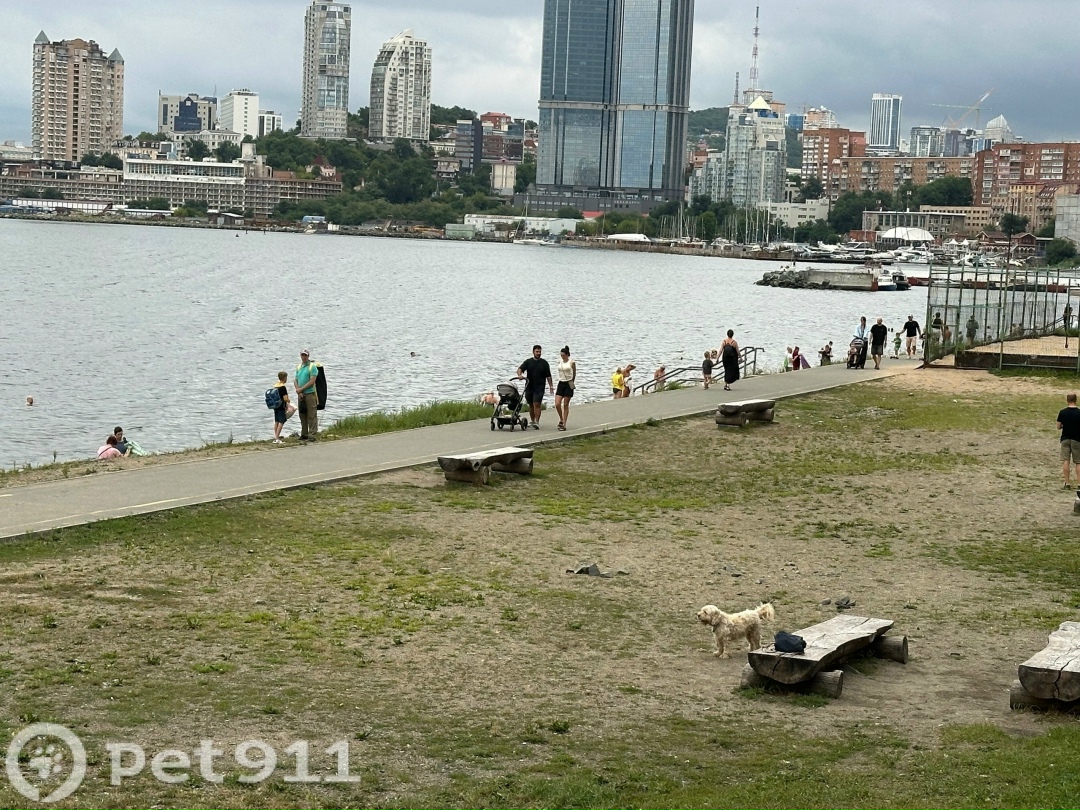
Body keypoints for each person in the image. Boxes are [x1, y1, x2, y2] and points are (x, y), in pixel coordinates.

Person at [516, 344, 553, 429]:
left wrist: (551, 386)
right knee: (531, 404)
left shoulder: (544, 363)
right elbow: (520, 369)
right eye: (537, 351)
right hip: (529, 386)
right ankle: (532, 421)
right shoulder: (528, 362)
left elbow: (548, 376)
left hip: (539, 387)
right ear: (533, 352)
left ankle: (537, 421)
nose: (538, 353)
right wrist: (520, 375)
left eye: (539, 351)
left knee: (537, 404)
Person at [295, 349, 320, 441]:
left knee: (311, 414)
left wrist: (301, 389)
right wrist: (299, 391)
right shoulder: (298, 367)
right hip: (301, 395)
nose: (304, 357)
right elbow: (295, 380)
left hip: (310, 393)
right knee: (302, 414)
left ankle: (312, 434)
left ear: (308, 356)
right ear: (300, 356)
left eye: (305, 355)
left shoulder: (312, 367)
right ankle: (304, 433)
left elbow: (312, 381)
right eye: (302, 355)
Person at [1058, 393, 1080, 489]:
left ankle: (1067, 483)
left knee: (1066, 461)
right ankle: (1079, 484)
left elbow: (1058, 426)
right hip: (1077, 439)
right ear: (1076, 400)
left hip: (1065, 438)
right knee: (1078, 462)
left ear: (1067, 400)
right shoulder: (1079, 412)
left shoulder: (1063, 412)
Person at [554, 346, 576, 431]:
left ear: (567, 354)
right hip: (561, 383)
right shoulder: (560, 362)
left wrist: (572, 382)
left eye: (563, 355)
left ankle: (564, 424)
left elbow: (574, 373)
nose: (562, 356)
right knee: (557, 404)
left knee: (566, 404)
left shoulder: (572, 362)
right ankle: (561, 418)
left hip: (568, 383)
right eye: (561, 355)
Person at [271, 371, 293, 443]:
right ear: (284, 378)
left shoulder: (275, 385)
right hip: (281, 406)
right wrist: (289, 401)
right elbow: (285, 398)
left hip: (275, 406)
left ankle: (275, 436)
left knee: (276, 421)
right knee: (281, 421)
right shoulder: (283, 387)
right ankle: (277, 438)